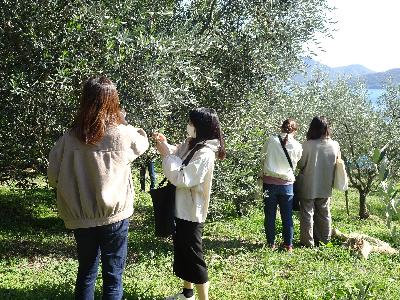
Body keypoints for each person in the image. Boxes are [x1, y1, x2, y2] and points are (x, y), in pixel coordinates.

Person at [47, 76, 149, 300]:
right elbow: (143, 142)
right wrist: (122, 121)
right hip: (115, 215)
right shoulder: (121, 134)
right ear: (113, 100)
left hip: (81, 216)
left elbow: (52, 174)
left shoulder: (70, 137)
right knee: (113, 277)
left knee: (86, 272)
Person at [153, 107, 225, 300]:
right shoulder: (192, 144)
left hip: (191, 212)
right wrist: (165, 145)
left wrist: (166, 155)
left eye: (192, 123)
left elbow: (182, 177)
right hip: (180, 208)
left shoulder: (206, 153)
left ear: (200, 126)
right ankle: (188, 293)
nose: (189, 126)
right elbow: (179, 153)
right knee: (183, 253)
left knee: (194, 258)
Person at [297, 116, 340, 247]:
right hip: (326, 185)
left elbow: (300, 164)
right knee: (324, 213)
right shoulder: (335, 145)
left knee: (307, 213)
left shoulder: (307, 145)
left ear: (313, 128)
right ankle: (324, 241)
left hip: (308, 184)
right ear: (327, 128)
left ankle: (307, 242)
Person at [260, 119, 302, 252]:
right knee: (287, 216)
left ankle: (271, 244)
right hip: (287, 185)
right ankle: (288, 245)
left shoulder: (271, 140)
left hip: (269, 183)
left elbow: (263, 156)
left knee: (270, 215)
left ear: (281, 127)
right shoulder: (297, 145)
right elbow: (296, 162)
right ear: (295, 130)